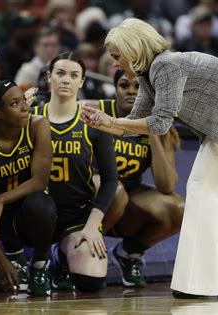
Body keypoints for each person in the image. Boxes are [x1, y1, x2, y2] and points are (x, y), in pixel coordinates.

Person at [81, 18, 218, 298]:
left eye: (117, 56)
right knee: (206, 197)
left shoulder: (165, 65)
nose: (114, 63)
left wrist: (112, 121)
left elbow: (161, 124)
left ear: (133, 49)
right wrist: (105, 124)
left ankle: (200, 285)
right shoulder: (147, 74)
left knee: (200, 192)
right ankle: (213, 280)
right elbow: (135, 122)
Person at [87, 70, 184, 288]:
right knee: (114, 190)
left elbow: (167, 185)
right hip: (87, 194)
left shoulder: (159, 123)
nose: (131, 92)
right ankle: (77, 247)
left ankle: (128, 253)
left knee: (178, 209)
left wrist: (150, 131)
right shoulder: (97, 109)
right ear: (115, 90)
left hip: (126, 199)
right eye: (124, 86)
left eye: (139, 87)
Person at [32, 52, 117, 293]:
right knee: (37, 206)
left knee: (91, 281)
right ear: (49, 77)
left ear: (81, 81)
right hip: (35, 212)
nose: (66, 80)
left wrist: (92, 226)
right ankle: (33, 260)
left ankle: (59, 257)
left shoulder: (93, 123)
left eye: (73, 75)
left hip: (76, 216)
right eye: (60, 73)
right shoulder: (30, 117)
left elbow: (110, 181)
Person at [0, 80, 57, 296]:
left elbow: (40, 181)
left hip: (27, 210)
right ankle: (12, 261)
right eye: (15, 103)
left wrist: (1, 199)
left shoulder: (38, 125)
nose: (25, 107)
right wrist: (0, 259)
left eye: (24, 100)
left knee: (42, 205)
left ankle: (40, 265)